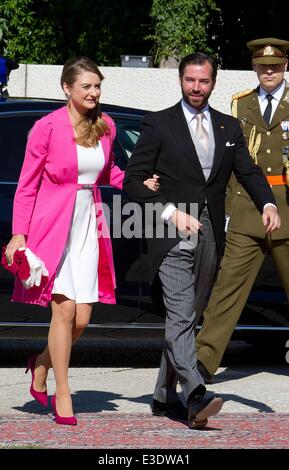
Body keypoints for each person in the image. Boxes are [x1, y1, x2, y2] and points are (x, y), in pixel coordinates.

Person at [124, 52, 280, 429]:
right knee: (179, 314)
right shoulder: (159, 124)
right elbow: (132, 181)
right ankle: (195, 393)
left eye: (204, 81)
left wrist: (268, 202)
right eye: (190, 80)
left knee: (188, 318)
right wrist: (169, 212)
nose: (197, 87)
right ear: (180, 80)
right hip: (169, 233)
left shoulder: (229, 127)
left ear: (213, 82)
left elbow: (249, 170)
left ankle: (163, 395)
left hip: (211, 232)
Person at [4, 56, 158, 425]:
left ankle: (40, 363)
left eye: (97, 86)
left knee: (83, 317)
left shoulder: (105, 126)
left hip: (89, 223)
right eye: (86, 86)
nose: (93, 92)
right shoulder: (47, 127)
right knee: (64, 311)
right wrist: (18, 234)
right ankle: (63, 393)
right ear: (67, 89)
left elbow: (111, 171)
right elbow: (26, 186)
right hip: (51, 225)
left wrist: (139, 184)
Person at [196, 38, 289, 383]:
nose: (269, 72)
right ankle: (202, 361)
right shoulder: (241, 105)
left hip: (288, 207)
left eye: (275, 66)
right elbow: (232, 162)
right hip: (248, 208)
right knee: (226, 290)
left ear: (285, 67)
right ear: (254, 66)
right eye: (263, 67)